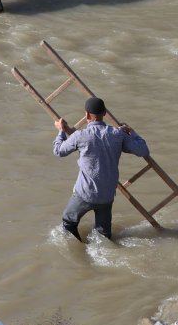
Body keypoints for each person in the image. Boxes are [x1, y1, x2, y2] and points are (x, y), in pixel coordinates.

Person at [52, 97, 149, 241]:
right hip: (106, 195)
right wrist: (132, 132)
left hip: (85, 193)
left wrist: (61, 131)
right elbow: (143, 151)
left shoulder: (80, 136)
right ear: (104, 113)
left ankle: (80, 250)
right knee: (103, 235)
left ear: (86, 115)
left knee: (68, 222)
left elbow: (58, 151)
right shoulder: (118, 135)